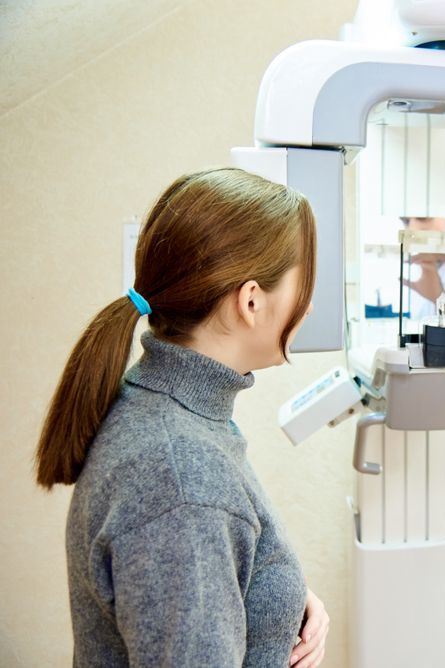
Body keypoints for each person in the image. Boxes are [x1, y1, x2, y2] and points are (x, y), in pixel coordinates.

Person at [35, 168, 331, 667]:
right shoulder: (180, 474)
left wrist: (284, 602)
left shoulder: (172, 413)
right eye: (305, 284)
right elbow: (191, 527)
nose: (310, 304)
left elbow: (210, 569)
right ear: (252, 301)